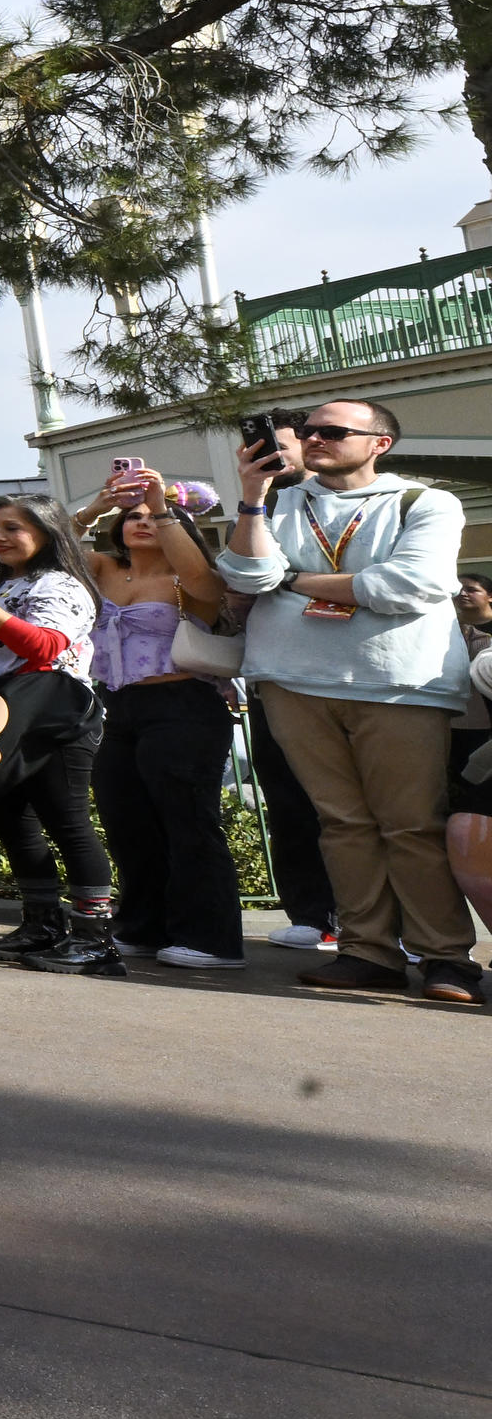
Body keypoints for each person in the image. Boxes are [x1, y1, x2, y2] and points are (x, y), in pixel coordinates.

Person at [217, 400, 478, 1002]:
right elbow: (247, 576)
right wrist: (253, 494)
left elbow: (411, 585)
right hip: (292, 681)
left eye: (332, 432)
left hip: (400, 684)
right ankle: (367, 952)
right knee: (341, 823)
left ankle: (446, 958)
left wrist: (294, 580)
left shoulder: (424, 502)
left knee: (411, 824)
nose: (313, 439)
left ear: (379, 443)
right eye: (308, 431)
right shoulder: (279, 502)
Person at [0, 495, 114, 972]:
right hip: (9, 715)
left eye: (13, 527)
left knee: (68, 821)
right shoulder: (9, 584)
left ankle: (95, 938)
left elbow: (44, 645)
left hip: (56, 717)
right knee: (11, 817)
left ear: (47, 532)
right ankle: (42, 924)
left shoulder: (62, 584)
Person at [80, 471, 246, 970]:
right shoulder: (104, 567)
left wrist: (162, 506)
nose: (142, 522)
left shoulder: (184, 575)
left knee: (188, 822)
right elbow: (47, 547)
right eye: (133, 516)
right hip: (120, 708)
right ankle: (144, 925)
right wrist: (96, 504)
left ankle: (212, 939)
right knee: (126, 820)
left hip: (184, 707)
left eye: (154, 517)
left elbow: (206, 587)